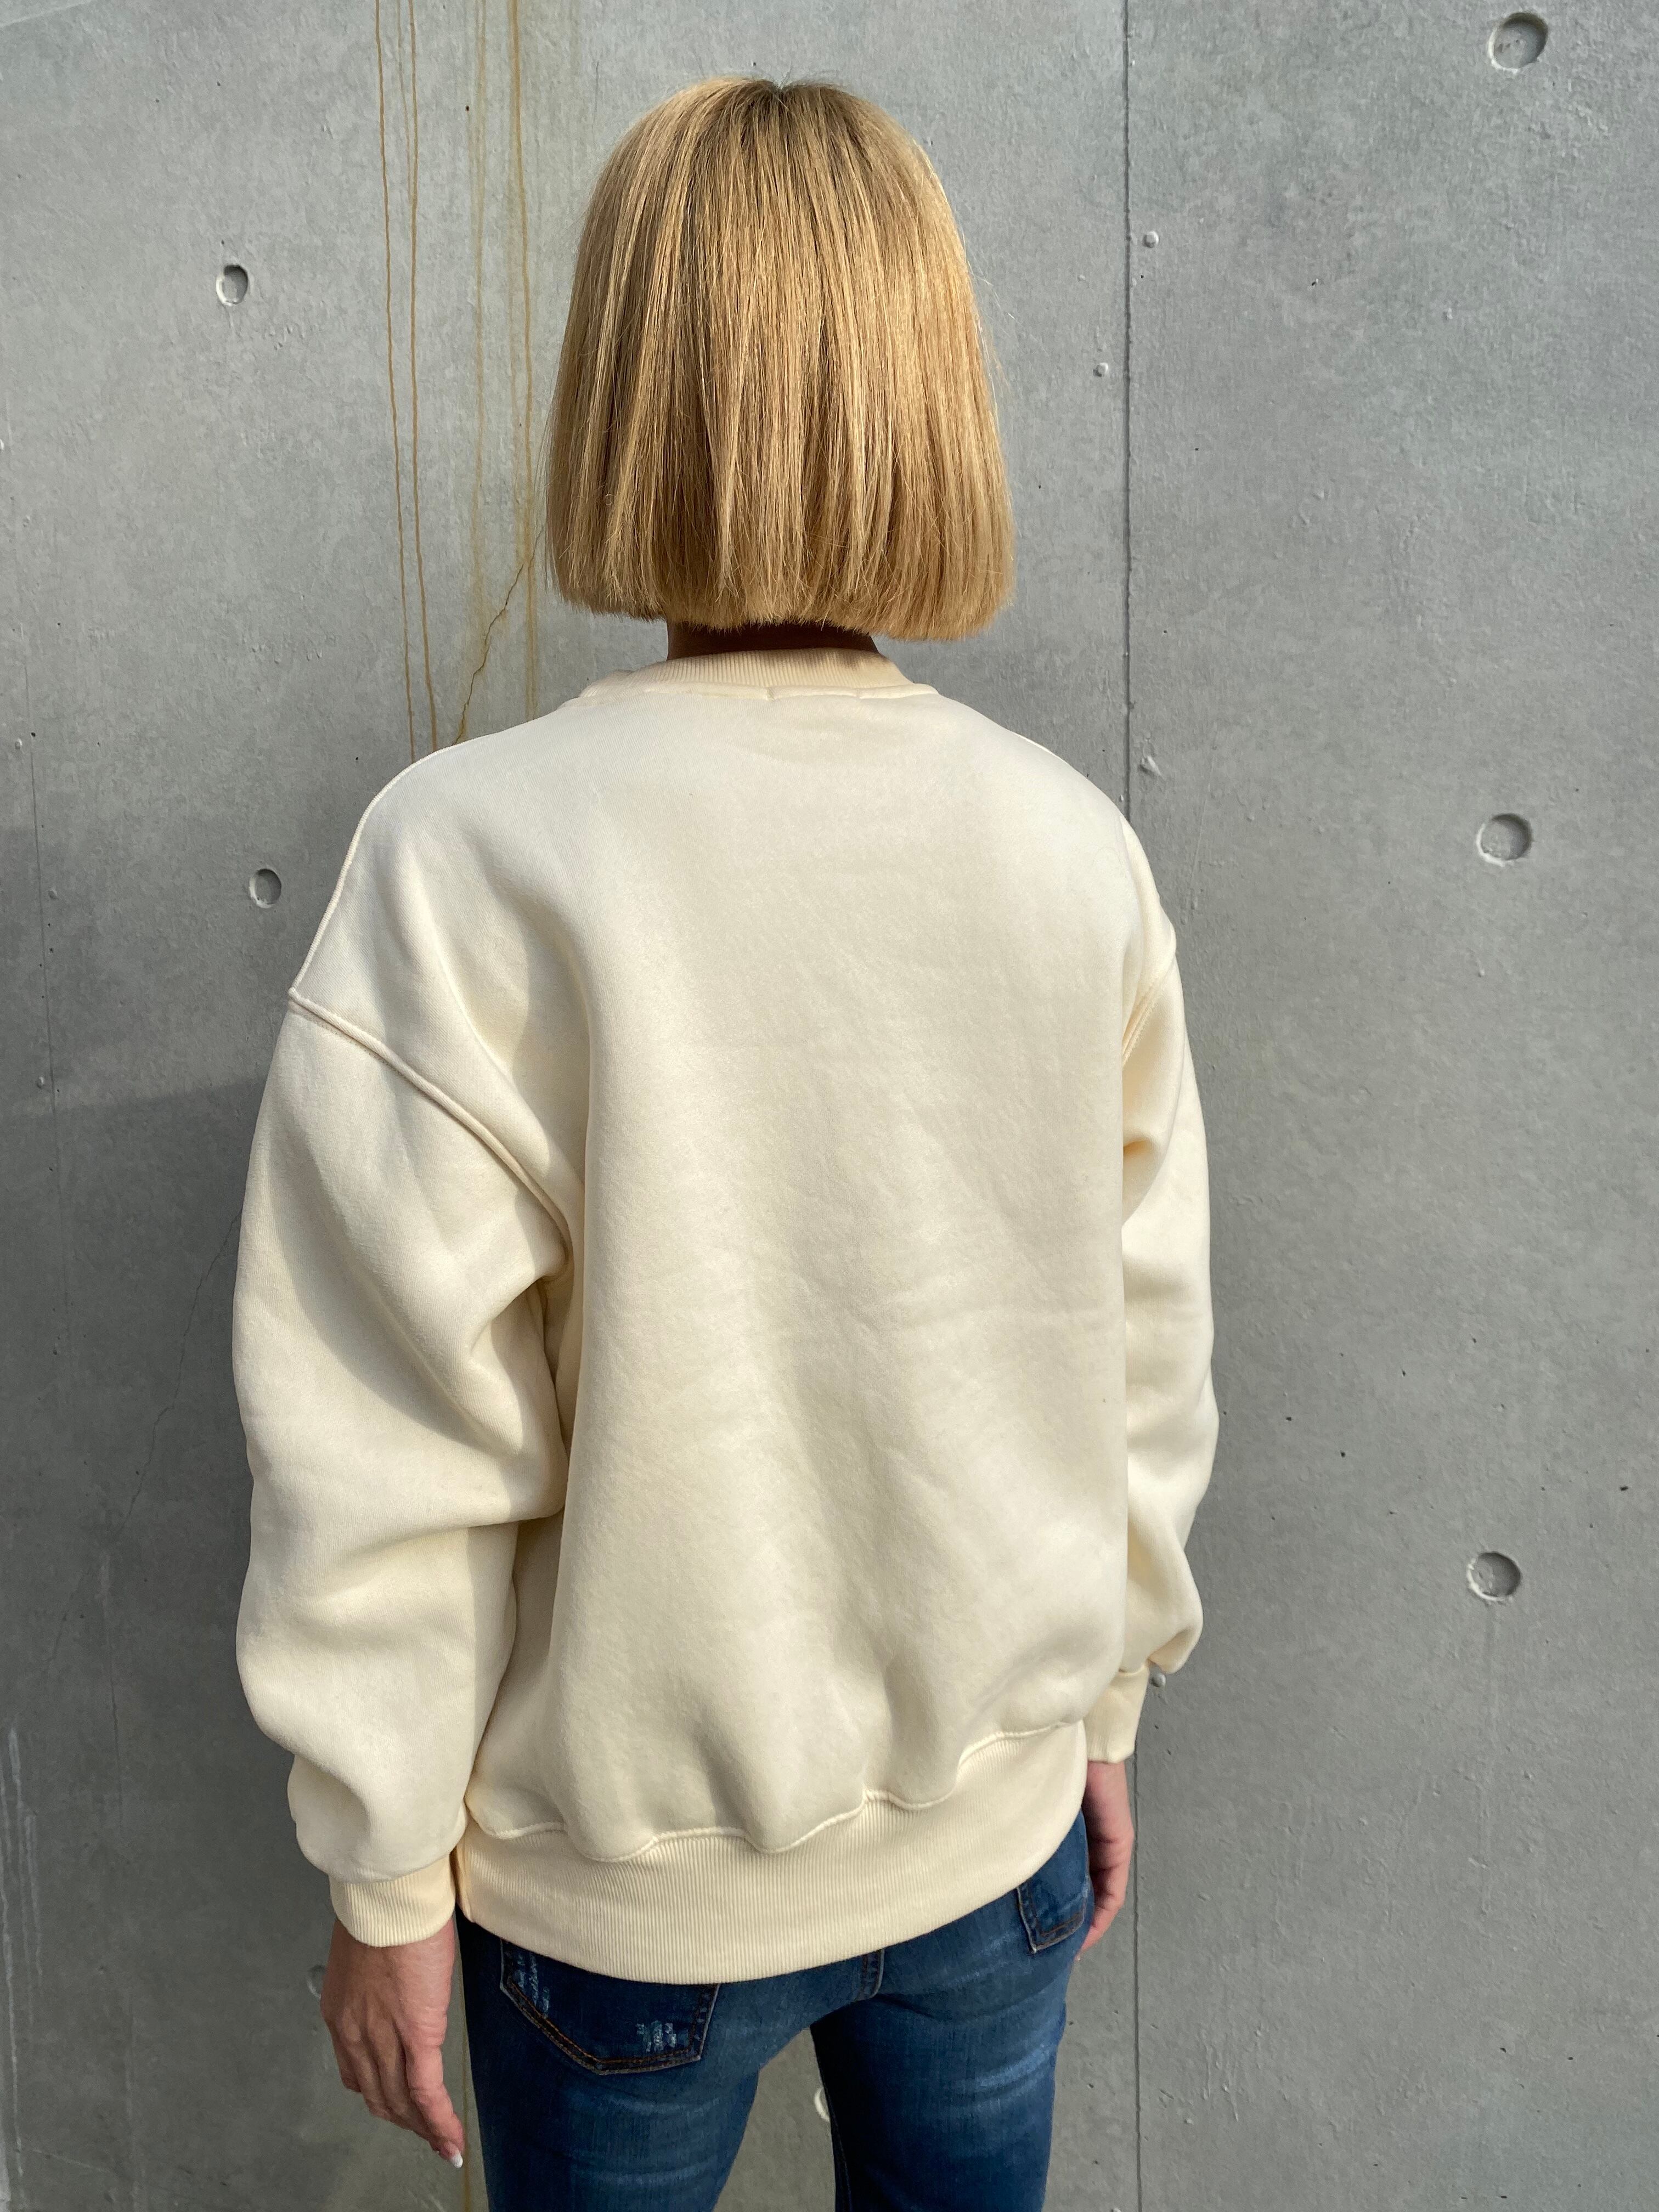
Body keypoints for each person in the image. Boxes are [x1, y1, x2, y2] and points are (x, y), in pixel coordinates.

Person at [231, 73, 1218, 2212]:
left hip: (624, 1915)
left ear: (621, 390)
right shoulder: (1069, 852)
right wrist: (1102, 1708)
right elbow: (1140, 1357)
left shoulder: (473, 860)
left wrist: (385, 1879)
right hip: (1000, 1847)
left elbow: (384, 1431)